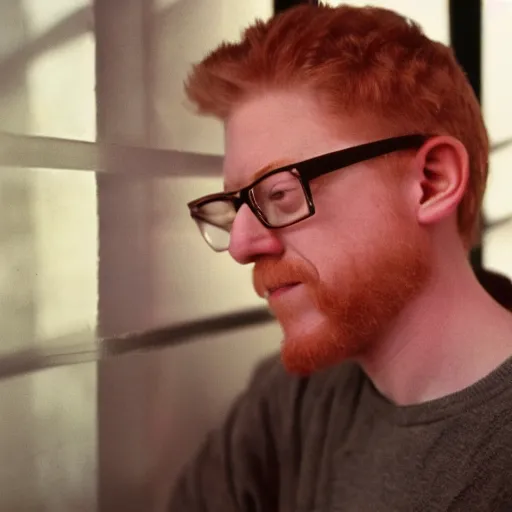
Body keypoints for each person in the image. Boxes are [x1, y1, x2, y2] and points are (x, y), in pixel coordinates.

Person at [169, 3, 512, 511]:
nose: (241, 247)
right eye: (236, 207)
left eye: (280, 192)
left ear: (430, 183)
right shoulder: (290, 402)